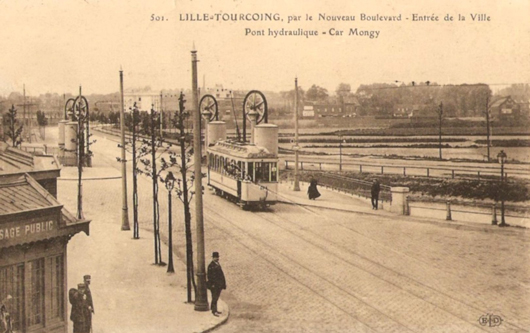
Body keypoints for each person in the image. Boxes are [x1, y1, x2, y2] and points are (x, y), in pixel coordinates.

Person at [207, 251, 226, 317]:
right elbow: (210, 276)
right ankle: (214, 311)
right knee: (214, 298)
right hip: (214, 285)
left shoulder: (217, 264)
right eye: (215, 257)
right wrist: (212, 284)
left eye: (217, 257)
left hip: (218, 285)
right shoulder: (211, 266)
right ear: (213, 258)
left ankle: (215, 309)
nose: (217, 258)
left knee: (216, 297)